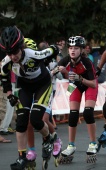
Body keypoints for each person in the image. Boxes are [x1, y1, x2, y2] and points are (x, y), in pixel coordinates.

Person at [0, 26, 59, 170]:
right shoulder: (6, 62)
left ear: (21, 47)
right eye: (9, 53)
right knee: (21, 122)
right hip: (24, 87)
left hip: (42, 85)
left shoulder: (33, 54)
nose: (13, 56)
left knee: (35, 120)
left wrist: (50, 55)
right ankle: (22, 158)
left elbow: (54, 49)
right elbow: (4, 78)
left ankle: (48, 139)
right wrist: (10, 95)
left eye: (15, 51)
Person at [58, 36, 98, 163]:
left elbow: (93, 84)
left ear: (81, 50)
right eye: (70, 48)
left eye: (76, 48)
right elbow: (55, 69)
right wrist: (59, 70)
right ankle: (71, 145)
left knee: (87, 112)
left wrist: (79, 78)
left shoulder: (87, 62)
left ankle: (92, 143)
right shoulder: (66, 59)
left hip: (89, 84)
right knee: (73, 114)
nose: (72, 50)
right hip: (75, 85)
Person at [23, 38, 62, 168]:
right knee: (29, 121)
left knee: (44, 118)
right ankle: (32, 150)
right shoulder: (21, 62)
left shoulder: (45, 59)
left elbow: (60, 76)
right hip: (33, 92)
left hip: (48, 90)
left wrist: (55, 71)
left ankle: (56, 140)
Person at [0, 70, 16, 135]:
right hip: (4, 81)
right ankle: (2, 127)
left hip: (12, 80)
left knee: (11, 105)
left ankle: (5, 127)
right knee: (4, 105)